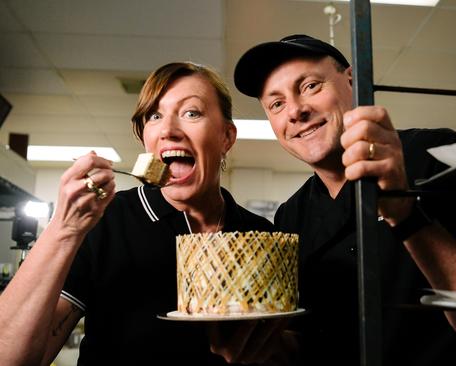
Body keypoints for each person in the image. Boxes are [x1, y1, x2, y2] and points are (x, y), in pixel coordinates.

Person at [233, 35, 456, 365]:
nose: (296, 110)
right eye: (276, 104)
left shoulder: (438, 157)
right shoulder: (291, 217)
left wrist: (406, 214)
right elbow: (311, 341)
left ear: (352, 80)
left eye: (310, 86)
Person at [0, 62, 279, 365]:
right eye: (155, 116)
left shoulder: (261, 237)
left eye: (192, 113)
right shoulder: (103, 220)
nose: (169, 131)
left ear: (226, 137)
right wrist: (63, 230)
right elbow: (12, 358)